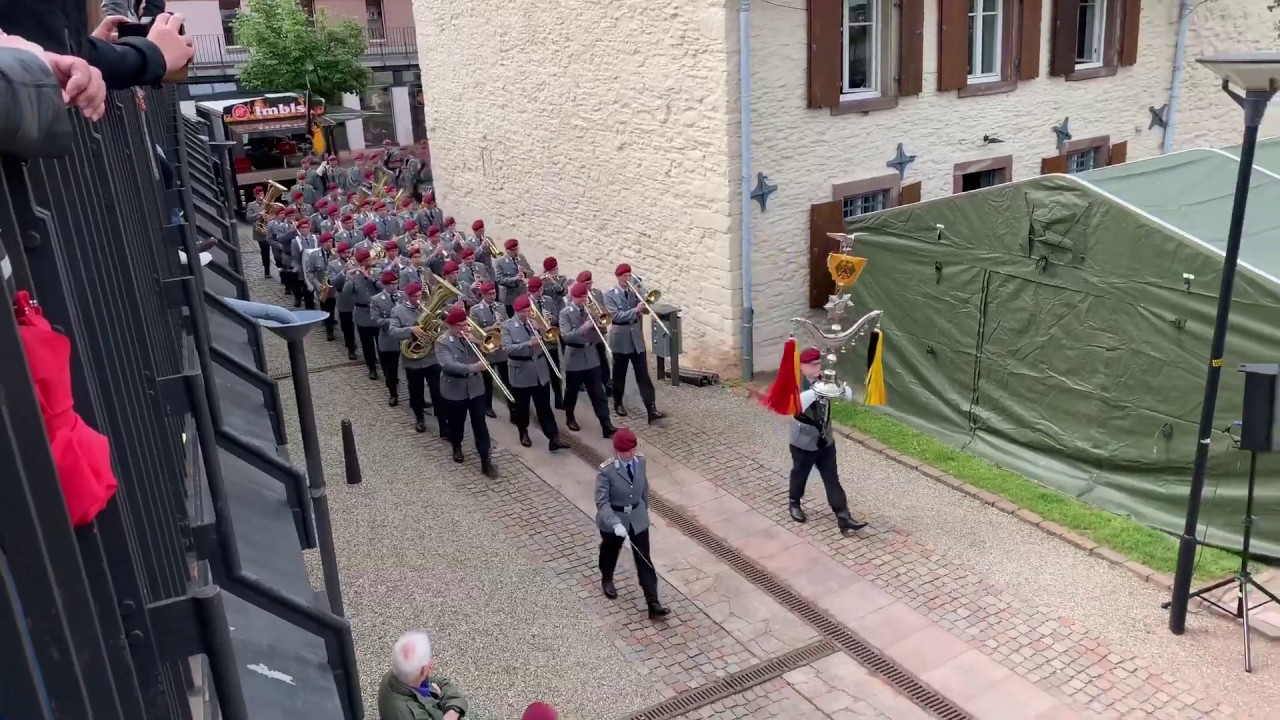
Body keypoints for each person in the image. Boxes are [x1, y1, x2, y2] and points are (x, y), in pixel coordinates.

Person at [789, 346, 867, 535]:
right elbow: (798, 404)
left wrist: (837, 386)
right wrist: (822, 388)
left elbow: (847, 394)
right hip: (804, 441)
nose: (818, 368)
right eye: (813, 365)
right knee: (800, 473)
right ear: (802, 366)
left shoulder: (823, 379)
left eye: (819, 363)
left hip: (826, 439)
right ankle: (794, 502)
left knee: (832, 478)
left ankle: (843, 516)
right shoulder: (795, 383)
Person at [595, 428, 667, 620]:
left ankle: (653, 602)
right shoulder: (607, 471)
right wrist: (614, 523)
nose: (632, 454)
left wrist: (646, 508)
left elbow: (644, 486)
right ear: (618, 450)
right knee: (610, 550)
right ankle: (607, 577)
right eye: (628, 451)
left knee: (644, 558)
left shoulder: (641, 461)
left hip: (637, 516)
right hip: (615, 518)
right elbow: (602, 502)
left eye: (634, 449)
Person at [501, 295, 569, 452]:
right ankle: (523, 431)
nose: (528, 313)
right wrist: (528, 343)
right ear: (517, 311)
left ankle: (553, 437)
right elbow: (507, 348)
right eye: (525, 311)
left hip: (539, 370)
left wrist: (541, 328)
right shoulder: (508, 326)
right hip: (521, 372)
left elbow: (550, 339)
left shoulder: (534, 322)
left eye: (529, 310)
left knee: (544, 406)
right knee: (522, 407)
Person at [436, 306, 498, 477]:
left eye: (465, 324)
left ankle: (486, 460)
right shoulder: (442, 342)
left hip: (476, 388)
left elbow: (492, 351)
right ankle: (457, 445)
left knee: (480, 424)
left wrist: (477, 341)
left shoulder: (472, 337)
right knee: (457, 423)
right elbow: (448, 364)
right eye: (460, 326)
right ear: (451, 326)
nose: (464, 328)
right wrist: (473, 367)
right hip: (454, 388)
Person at [603, 264, 664, 423]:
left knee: (643, 374)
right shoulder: (610, 295)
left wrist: (644, 300)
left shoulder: (634, 292)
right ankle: (618, 402)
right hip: (620, 338)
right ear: (618, 277)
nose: (628, 279)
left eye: (630, 276)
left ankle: (651, 408)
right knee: (619, 374)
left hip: (636, 338)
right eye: (625, 276)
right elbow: (616, 316)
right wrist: (636, 309)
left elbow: (644, 311)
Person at [558, 282, 615, 438]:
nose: (585, 301)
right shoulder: (565, 313)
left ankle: (606, 424)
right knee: (572, 391)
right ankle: (570, 416)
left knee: (598, 393)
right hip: (574, 358)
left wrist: (597, 326)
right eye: (582, 298)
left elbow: (600, 332)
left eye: (585, 297)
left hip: (591, 356)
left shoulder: (591, 310)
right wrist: (583, 329)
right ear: (574, 298)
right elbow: (566, 336)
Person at [385, 282, 442, 435]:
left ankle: (443, 421)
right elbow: (393, 331)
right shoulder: (398, 311)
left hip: (431, 357)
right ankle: (419, 418)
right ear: (407, 296)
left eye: (419, 296)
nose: (418, 299)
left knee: (438, 391)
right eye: (414, 297)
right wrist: (411, 329)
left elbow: (439, 326)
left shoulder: (427, 308)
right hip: (412, 360)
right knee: (416, 392)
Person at [376, 630, 468, 720]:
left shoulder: (399, 675)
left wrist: (452, 711)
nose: (432, 662)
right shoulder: (413, 715)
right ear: (424, 670)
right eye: (430, 660)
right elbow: (446, 688)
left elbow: (443, 683)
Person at [469, 281, 510, 419]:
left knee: (506, 378)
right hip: (487, 349)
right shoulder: (475, 310)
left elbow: (508, 323)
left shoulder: (501, 307)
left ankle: (512, 405)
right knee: (487, 381)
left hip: (501, 350)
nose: (493, 296)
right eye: (490, 294)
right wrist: (492, 327)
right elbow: (475, 332)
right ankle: (487, 406)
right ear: (483, 295)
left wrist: (504, 325)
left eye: (494, 293)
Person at [527, 277, 562, 408]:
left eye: (541, 289)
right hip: (538, 343)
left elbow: (556, 318)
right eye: (537, 291)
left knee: (555, 371)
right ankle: (543, 403)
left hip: (550, 340)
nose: (540, 293)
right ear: (531, 291)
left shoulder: (548, 300)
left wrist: (550, 318)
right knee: (541, 374)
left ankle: (559, 399)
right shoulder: (527, 304)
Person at [576, 270, 611, 394]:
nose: (589, 287)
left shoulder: (597, 293)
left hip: (598, 332)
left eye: (590, 283)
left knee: (602, 359)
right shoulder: (577, 297)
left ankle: (607, 385)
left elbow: (603, 310)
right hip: (586, 334)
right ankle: (584, 383)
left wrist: (601, 312)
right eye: (586, 284)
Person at [350, 248, 382, 380]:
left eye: (369, 259)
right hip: (362, 314)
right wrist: (350, 280)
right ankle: (372, 368)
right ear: (359, 263)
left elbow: (383, 287)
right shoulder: (354, 275)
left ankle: (386, 368)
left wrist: (370, 277)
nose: (368, 262)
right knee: (367, 345)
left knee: (381, 343)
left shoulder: (377, 272)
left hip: (376, 313)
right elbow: (347, 294)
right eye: (365, 261)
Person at [372, 269, 403, 406]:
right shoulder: (376, 300)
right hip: (388, 340)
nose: (394, 286)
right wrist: (392, 322)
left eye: (396, 283)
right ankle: (393, 394)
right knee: (390, 369)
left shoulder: (402, 296)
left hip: (404, 338)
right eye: (391, 284)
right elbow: (375, 321)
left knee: (407, 369)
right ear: (385, 285)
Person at [331, 242, 358, 359]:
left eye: (349, 252)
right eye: (346, 253)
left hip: (356, 297)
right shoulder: (333, 265)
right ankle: (351, 348)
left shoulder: (356, 262)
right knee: (347, 326)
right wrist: (343, 272)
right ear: (340, 253)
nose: (348, 255)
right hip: (344, 299)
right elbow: (333, 282)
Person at [493, 238, 527, 317]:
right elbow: (499, 279)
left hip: (521, 293)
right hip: (509, 298)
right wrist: (515, 279)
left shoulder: (521, 257)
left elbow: (531, 272)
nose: (516, 252)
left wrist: (524, 272)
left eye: (517, 249)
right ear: (507, 251)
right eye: (513, 250)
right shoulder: (499, 263)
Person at [244, 186, 271, 278]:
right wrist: (259, 214)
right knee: (265, 251)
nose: (261, 196)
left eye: (262, 194)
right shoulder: (251, 205)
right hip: (260, 232)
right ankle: (267, 270)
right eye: (259, 194)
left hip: (270, 230)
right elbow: (248, 218)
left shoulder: (268, 203)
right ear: (255, 195)